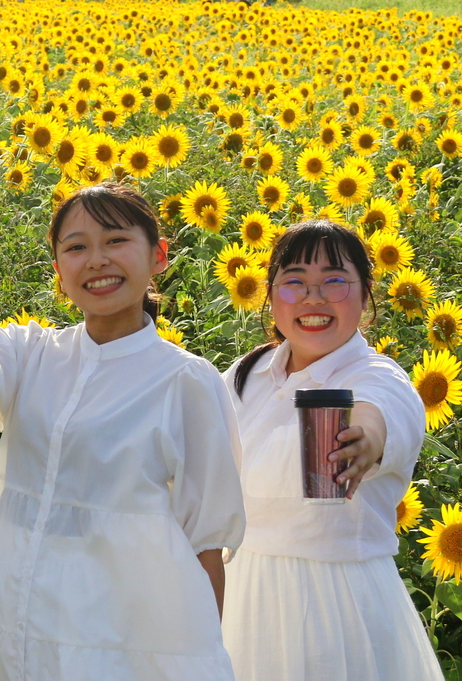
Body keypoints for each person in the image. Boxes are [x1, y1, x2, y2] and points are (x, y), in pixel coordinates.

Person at [0, 182, 245, 680]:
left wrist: (202, 656)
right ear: (58, 270)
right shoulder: (33, 352)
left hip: (123, 635)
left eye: (116, 240)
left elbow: (207, 539)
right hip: (16, 619)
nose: (96, 260)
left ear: (158, 256)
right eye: (76, 248)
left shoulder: (186, 381)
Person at [220, 219, 443, 681]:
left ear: (365, 298)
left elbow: (375, 417)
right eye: (294, 282)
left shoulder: (379, 376)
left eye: (335, 281)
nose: (313, 297)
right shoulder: (248, 372)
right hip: (240, 600)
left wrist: (361, 444)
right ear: (271, 296)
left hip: (337, 608)